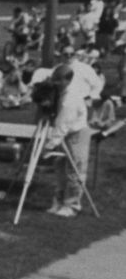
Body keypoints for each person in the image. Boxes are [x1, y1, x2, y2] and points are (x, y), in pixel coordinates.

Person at [43, 65, 91, 217]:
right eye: (54, 80)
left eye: (59, 81)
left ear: (68, 80)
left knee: (75, 169)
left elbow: (63, 125)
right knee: (60, 165)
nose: (56, 83)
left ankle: (72, 205)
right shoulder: (60, 92)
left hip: (76, 133)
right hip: (66, 132)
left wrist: (51, 144)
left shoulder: (70, 99)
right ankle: (58, 200)